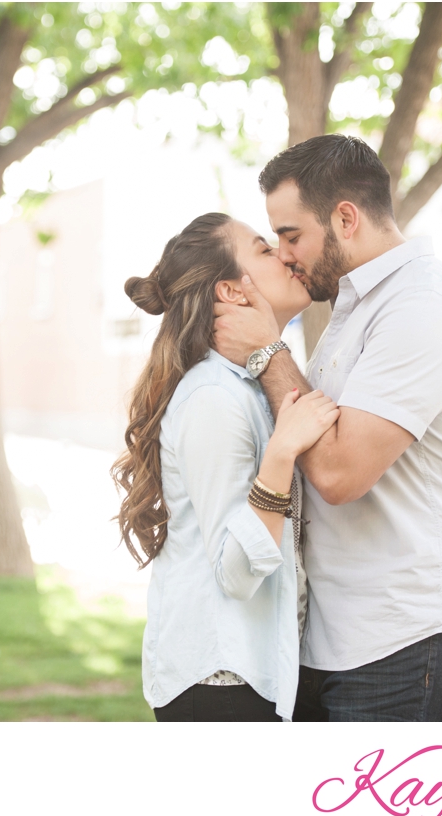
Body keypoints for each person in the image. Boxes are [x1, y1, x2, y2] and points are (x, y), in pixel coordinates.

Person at [213, 134, 442, 722]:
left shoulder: (422, 308)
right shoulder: (359, 308)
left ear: (345, 218)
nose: (284, 253)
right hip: (340, 639)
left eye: (291, 235)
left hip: (409, 637)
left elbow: (341, 473)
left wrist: (267, 350)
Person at [116, 213, 338, 721]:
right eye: (263, 250)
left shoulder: (248, 385)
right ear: (233, 293)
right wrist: (281, 454)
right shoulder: (215, 397)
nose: (284, 255)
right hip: (219, 684)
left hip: (256, 676)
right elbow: (235, 574)